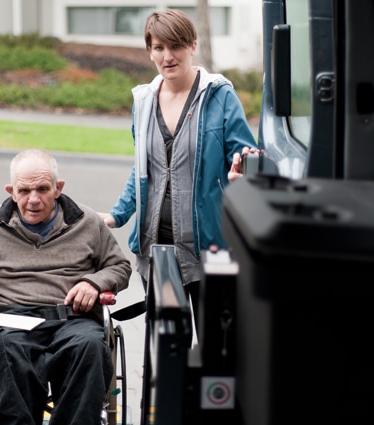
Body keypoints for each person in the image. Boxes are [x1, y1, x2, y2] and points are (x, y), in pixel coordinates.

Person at [98, 9, 258, 332]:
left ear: (193, 46)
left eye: (176, 46)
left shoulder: (219, 95)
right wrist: (116, 215)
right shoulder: (143, 101)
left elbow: (245, 156)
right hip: (156, 251)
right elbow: (143, 170)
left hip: (209, 250)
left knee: (217, 350)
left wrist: (240, 173)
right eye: (159, 47)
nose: (167, 56)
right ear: (150, 51)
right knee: (169, 354)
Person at [0, 149, 132, 425]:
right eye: (24, 190)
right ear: (12, 191)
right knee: (7, 348)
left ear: (58, 188)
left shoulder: (88, 221)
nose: (33, 199)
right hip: (12, 321)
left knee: (91, 346)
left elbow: (120, 267)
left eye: (43, 189)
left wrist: (94, 283)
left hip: (73, 318)